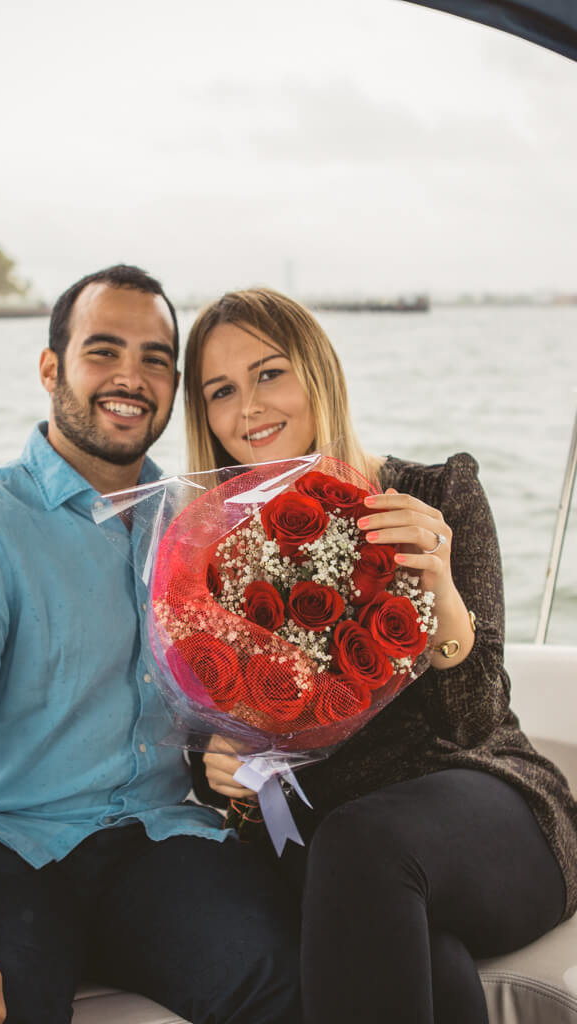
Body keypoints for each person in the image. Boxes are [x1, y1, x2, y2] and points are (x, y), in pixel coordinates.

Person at [0, 266, 301, 1024]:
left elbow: (229, 704)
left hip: (160, 840)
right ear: (50, 369)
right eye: (104, 351)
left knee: (300, 979)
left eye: (156, 358)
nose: (132, 376)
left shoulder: (194, 523)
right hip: (11, 850)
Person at [183, 286, 577, 1024]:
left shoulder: (435, 497)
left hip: (485, 805)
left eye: (270, 373)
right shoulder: (211, 557)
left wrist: (444, 601)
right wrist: (214, 766)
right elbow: (213, 747)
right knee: (434, 969)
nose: (249, 408)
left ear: (318, 370)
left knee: (362, 844)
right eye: (221, 391)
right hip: (336, 853)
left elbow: (475, 721)